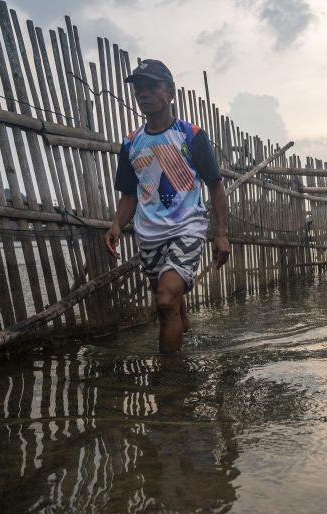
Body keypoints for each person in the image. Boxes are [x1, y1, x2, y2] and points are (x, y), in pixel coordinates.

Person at [104, 59, 229, 352]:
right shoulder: (131, 143)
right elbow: (129, 195)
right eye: (138, 90)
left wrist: (221, 233)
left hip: (187, 227)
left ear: (170, 93)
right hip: (148, 235)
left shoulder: (191, 135)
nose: (143, 94)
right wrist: (116, 225)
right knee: (171, 303)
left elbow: (216, 186)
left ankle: (170, 381)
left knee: (165, 299)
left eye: (151, 87)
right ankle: (187, 342)